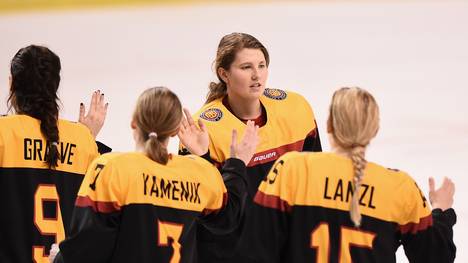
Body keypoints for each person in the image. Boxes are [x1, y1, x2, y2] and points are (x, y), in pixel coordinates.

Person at [52, 86, 259, 263]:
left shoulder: (112, 167)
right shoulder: (199, 172)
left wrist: (59, 259)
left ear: (134, 122)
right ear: (174, 130)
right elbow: (228, 219)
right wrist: (236, 163)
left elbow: (88, 245)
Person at [252, 87, 457, 262]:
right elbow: (437, 257)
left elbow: (256, 248)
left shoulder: (291, 169)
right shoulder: (400, 187)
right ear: (375, 129)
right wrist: (441, 211)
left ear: (329, 125)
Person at [178, 32, 322, 262]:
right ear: (224, 74)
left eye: (262, 65)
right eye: (246, 67)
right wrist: (203, 157)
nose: (257, 75)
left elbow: (314, 186)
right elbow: (207, 213)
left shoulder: (296, 110)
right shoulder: (203, 130)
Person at [0, 45, 107, 263]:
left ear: (12, 84)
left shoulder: (3, 133)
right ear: (55, 87)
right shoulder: (82, 139)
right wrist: (89, 137)